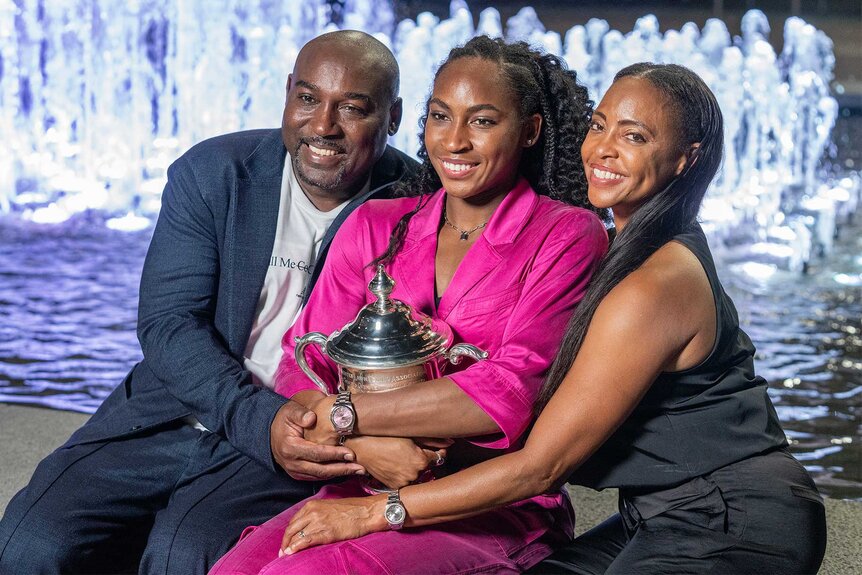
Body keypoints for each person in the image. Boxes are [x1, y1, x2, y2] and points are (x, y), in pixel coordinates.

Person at [271, 63, 828, 574]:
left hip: (737, 518)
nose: (604, 150)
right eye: (601, 126)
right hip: (656, 514)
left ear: (686, 158)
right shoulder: (626, 244)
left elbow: (542, 467)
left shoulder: (655, 284)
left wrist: (377, 512)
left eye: (634, 136)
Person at [0, 31, 417, 575]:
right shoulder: (215, 173)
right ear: (288, 93)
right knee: (27, 544)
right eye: (308, 99)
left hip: (304, 436)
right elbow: (169, 323)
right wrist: (255, 417)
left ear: (393, 117)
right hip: (174, 412)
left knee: (185, 554)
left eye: (353, 108)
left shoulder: (416, 203)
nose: (323, 126)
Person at [209, 36, 608, 575]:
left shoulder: (566, 234)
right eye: (441, 116)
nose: (455, 141)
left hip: (492, 504)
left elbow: (508, 397)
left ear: (530, 131)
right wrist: (366, 446)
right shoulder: (377, 225)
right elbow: (296, 374)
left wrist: (345, 415)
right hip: (359, 480)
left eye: (483, 121)